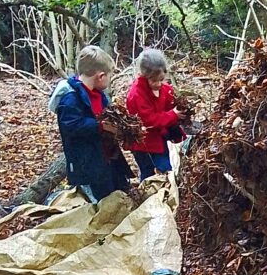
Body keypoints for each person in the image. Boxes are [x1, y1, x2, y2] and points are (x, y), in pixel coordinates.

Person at [49, 45, 131, 203]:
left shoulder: (99, 96)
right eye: (109, 75)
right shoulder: (71, 98)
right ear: (100, 76)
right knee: (98, 200)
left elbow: (107, 115)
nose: (109, 79)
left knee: (117, 192)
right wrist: (99, 125)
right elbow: (71, 126)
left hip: (107, 158)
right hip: (87, 163)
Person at [125, 48, 184, 180]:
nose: (158, 84)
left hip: (159, 138)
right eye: (154, 81)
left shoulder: (164, 89)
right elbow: (148, 120)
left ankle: (166, 194)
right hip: (143, 144)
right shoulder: (136, 95)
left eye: (161, 80)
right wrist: (173, 115)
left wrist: (179, 108)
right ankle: (148, 196)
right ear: (143, 76)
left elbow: (168, 100)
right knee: (150, 174)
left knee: (167, 169)